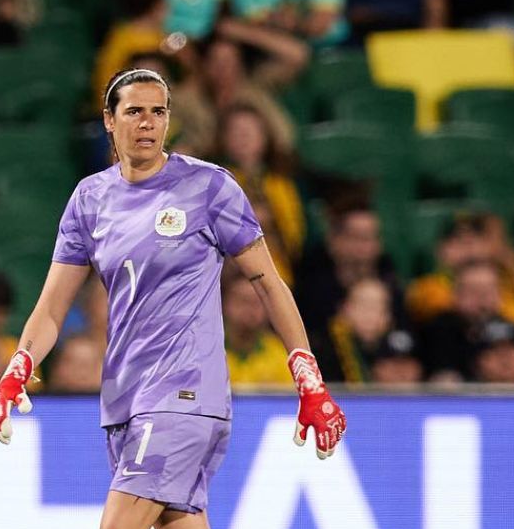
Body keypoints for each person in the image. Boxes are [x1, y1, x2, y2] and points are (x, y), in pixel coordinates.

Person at [0, 67, 345, 529]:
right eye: (135, 111)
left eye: (159, 111)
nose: (148, 122)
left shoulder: (210, 188)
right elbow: (54, 305)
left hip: (184, 397)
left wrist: (307, 372)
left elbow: (266, 280)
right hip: (126, 402)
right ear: (109, 120)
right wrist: (16, 368)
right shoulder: (89, 200)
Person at [216, 103, 304, 286]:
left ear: (265, 138)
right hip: (229, 278)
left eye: (250, 131)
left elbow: (294, 240)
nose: (244, 137)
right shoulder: (215, 181)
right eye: (236, 131)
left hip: (276, 275)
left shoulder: (280, 185)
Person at [294, 198, 403, 344]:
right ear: (334, 241)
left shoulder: (390, 282)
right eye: (357, 238)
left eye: (372, 238)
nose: (365, 249)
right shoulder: (312, 289)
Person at [169, 34, 296, 159]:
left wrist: (237, 30)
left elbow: (284, 138)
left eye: (229, 60)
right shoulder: (187, 99)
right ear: (205, 65)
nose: (223, 68)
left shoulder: (255, 95)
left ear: (240, 64)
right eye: (215, 60)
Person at [418, 258, 505, 382]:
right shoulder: (436, 331)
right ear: (456, 294)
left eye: (489, 291)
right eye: (474, 291)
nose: (483, 300)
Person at [315, 277, 396, 384]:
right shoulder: (321, 351)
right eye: (362, 305)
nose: (369, 314)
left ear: (388, 317)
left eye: (378, 306)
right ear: (344, 309)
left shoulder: (397, 352)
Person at [221, 272, 293, 386]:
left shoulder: (280, 354)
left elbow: (290, 401)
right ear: (224, 303)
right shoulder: (205, 351)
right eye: (242, 301)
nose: (249, 310)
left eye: (257, 302)